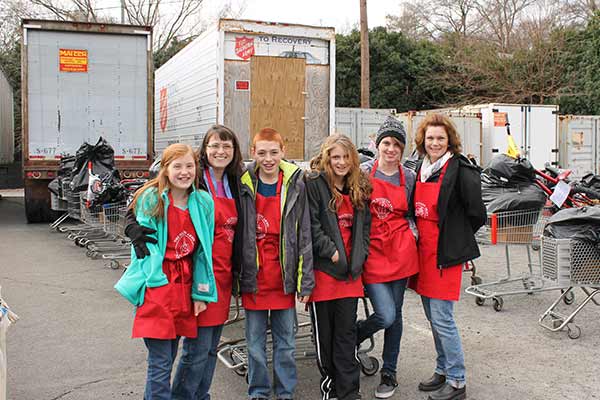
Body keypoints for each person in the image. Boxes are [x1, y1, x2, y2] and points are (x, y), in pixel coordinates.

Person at [124, 125, 244, 400]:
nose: (220, 151)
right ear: (204, 151)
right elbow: (140, 206)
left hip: (213, 275)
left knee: (209, 348)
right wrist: (131, 227)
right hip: (172, 281)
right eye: (214, 145)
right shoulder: (185, 183)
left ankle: (199, 395)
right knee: (186, 353)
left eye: (227, 146)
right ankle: (185, 396)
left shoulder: (236, 181)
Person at [114, 143, 217, 400]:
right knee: (160, 362)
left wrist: (200, 293)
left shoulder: (203, 202)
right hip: (158, 285)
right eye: (177, 166)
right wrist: (155, 283)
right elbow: (147, 249)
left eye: (189, 166)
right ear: (166, 169)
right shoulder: (151, 197)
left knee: (171, 356)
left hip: (185, 285)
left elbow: (204, 251)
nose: (184, 172)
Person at [410, 114, 486, 400]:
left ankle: (456, 381)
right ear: (423, 140)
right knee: (432, 317)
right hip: (423, 254)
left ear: (450, 140)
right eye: (430, 138)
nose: (435, 143)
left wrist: (456, 238)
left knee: (442, 318)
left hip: (445, 254)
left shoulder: (461, 169)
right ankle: (442, 369)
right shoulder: (421, 167)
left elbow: (477, 213)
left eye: (441, 138)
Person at [239, 128, 314, 400]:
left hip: (282, 278)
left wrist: (305, 280)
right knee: (255, 345)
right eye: (262, 153)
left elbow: (304, 234)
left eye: (273, 152)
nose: (268, 158)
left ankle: (285, 392)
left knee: (286, 344)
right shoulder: (244, 183)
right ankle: (258, 391)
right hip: (254, 278)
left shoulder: (296, 183)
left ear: (283, 152)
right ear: (253, 153)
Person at [356, 116, 419, 399]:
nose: (391, 149)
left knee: (396, 316)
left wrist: (413, 233)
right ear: (377, 145)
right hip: (372, 254)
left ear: (402, 149)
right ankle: (353, 336)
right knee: (386, 314)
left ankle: (389, 372)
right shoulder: (363, 173)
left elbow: (412, 214)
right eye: (386, 143)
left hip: (401, 253)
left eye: (396, 144)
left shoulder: (410, 177)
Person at [305, 134, 372, 400]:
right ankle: (331, 387)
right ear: (327, 158)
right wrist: (331, 251)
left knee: (346, 336)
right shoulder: (314, 184)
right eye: (335, 157)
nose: (341, 162)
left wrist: (360, 255)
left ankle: (349, 392)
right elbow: (311, 224)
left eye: (346, 157)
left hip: (349, 277)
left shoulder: (359, 188)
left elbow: (364, 230)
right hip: (325, 274)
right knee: (326, 338)